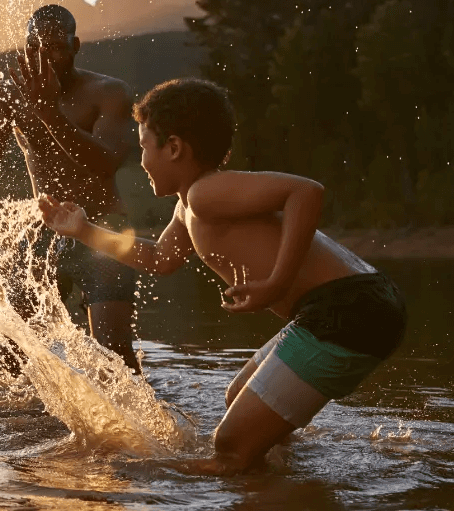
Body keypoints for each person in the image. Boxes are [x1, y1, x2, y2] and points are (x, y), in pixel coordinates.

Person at [36, 76, 408, 475]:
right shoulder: (188, 207)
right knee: (237, 400)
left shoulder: (207, 192)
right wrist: (83, 230)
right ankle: (285, 479)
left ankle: (189, 477)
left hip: (348, 310)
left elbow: (306, 192)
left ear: (174, 147)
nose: (140, 161)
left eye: (145, 146)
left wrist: (277, 283)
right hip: (352, 306)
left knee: (228, 449)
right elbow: (161, 258)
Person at [0, 4, 142, 375]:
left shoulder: (109, 92)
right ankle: (24, 429)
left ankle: (142, 431)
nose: (44, 56)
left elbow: (106, 161)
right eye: (34, 46)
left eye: (56, 46)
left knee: (114, 357)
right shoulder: (15, 95)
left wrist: (48, 111)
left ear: (75, 46)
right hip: (43, 232)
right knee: (14, 356)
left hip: (102, 229)